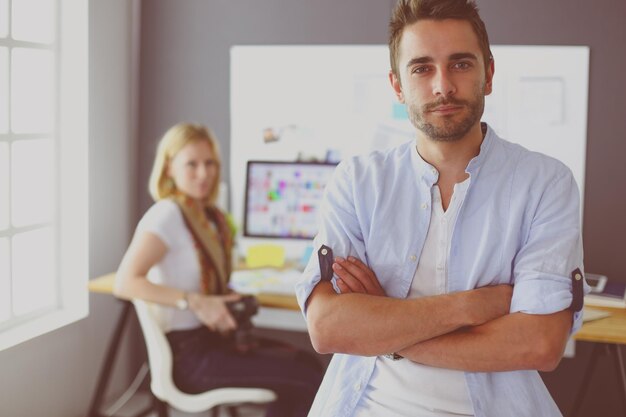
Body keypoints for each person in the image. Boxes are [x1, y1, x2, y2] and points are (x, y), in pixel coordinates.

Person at [295, 1, 589, 416]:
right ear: (397, 86)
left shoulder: (545, 182)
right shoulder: (358, 181)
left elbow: (539, 344)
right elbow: (328, 328)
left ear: (488, 73)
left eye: (461, 64)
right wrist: (473, 306)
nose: (442, 86)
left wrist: (386, 326)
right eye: (422, 68)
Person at [114, 122, 322, 417]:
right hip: (190, 357)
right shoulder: (166, 215)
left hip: (214, 342)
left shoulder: (211, 218)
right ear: (169, 168)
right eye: (192, 164)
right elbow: (125, 282)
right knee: (304, 380)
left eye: (210, 163)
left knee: (307, 364)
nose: (204, 173)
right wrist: (196, 301)